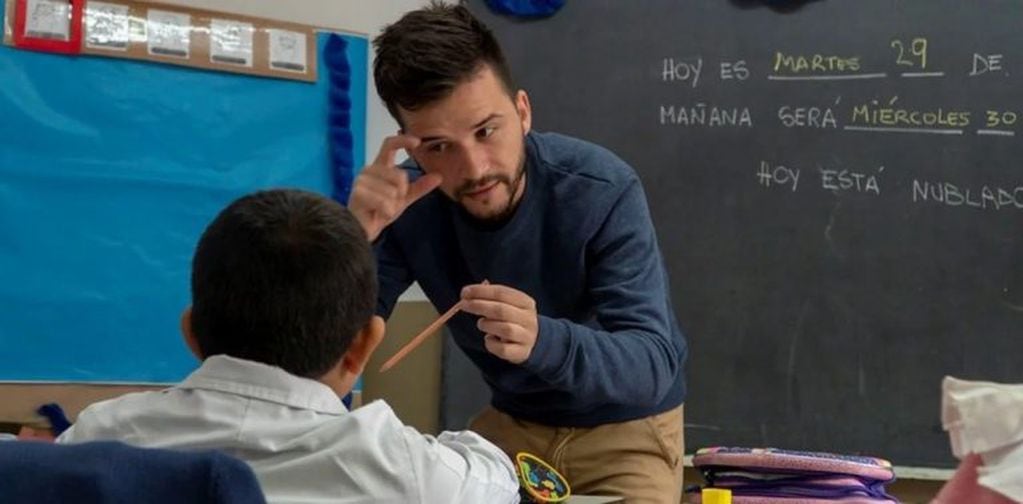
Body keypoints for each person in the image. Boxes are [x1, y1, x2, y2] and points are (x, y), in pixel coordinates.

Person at [349, 3, 689, 501]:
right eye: (438, 147)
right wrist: (354, 237)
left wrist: (542, 340)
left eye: (487, 131)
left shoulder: (601, 188)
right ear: (410, 148)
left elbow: (652, 364)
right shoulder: (408, 206)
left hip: (628, 433)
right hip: (511, 429)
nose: (475, 168)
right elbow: (328, 347)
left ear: (523, 112)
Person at [57, 189, 519, 504]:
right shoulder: (403, 467)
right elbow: (497, 479)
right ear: (363, 347)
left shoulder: (98, 438)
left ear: (191, 333)